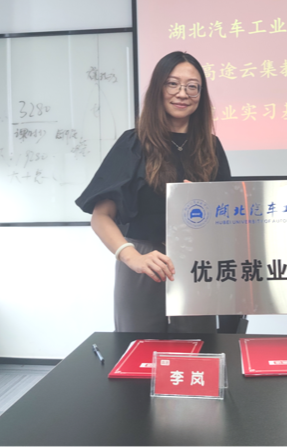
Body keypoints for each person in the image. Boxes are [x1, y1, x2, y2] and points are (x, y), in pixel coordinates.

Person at [76, 51, 238, 333]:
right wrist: (131, 257)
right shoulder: (133, 142)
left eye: (192, 86)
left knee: (198, 350)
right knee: (138, 349)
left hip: (196, 264)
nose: (182, 93)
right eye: (172, 84)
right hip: (143, 261)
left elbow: (228, 217)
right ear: (158, 89)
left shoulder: (211, 147)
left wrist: (208, 204)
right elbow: (100, 217)